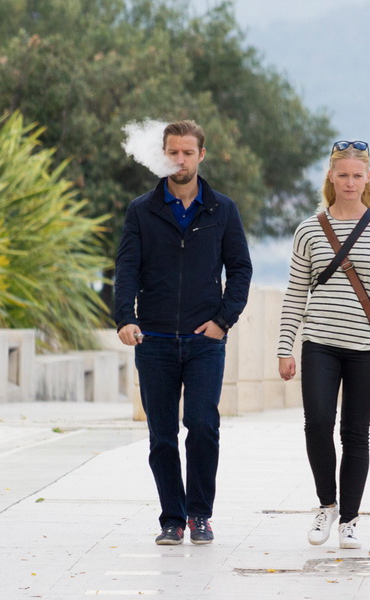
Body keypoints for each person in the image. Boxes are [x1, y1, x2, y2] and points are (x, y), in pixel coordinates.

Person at [277, 139, 370, 549]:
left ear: (368, 178)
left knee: (355, 433)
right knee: (317, 424)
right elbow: (295, 293)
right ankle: (327, 505)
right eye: (343, 175)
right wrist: (285, 347)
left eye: (358, 175)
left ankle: (350, 520)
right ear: (330, 176)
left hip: (367, 348)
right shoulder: (309, 230)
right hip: (319, 343)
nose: (350, 182)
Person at [114, 120, 252, 545]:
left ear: (200, 155)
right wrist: (125, 318)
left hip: (204, 342)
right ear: (163, 155)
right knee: (162, 436)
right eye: (173, 152)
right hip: (153, 340)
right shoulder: (142, 210)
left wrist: (222, 322)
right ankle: (171, 519)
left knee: (203, 426)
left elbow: (240, 270)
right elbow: (126, 268)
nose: (180, 160)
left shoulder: (222, 209)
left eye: (187, 152)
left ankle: (200, 515)